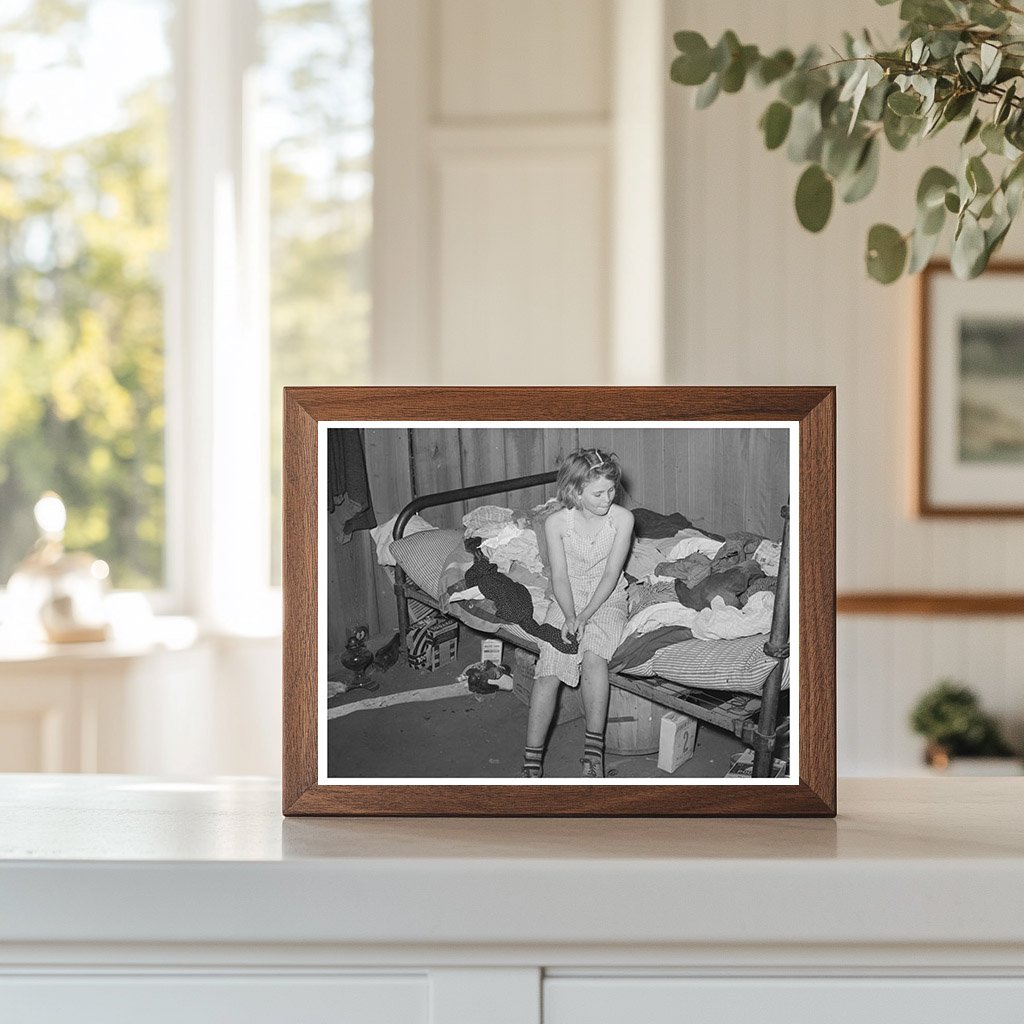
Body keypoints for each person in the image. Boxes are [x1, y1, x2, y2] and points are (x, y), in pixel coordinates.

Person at [521, 448, 633, 779]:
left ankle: (593, 751)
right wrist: (570, 615)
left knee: (595, 658)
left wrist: (585, 617)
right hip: (567, 597)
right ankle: (531, 760)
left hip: (608, 597)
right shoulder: (556, 522)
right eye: (598, 493)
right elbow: (559, 577)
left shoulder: (623, 520)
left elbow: (612, 574)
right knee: (550, 669)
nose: (608, 498)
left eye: (612, 489)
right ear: (575, 491)